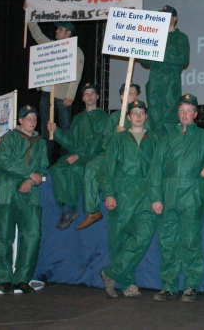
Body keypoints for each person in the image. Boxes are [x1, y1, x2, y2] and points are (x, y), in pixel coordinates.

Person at [149, 94, 204, 302]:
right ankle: (168, 286)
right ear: (178, 113)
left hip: (192, 194)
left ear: (195, 114)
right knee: (167, 241)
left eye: (189, 111)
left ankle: (192, 285)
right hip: (167, 194)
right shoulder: (165, 138)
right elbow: (155, 169)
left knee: (190, 240)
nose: (185, 114)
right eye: (181, 111)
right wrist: (156, 197)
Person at [100, 100, 158, 298]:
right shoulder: (118, 139)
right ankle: (127, 283)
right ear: (128, 117)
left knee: (143, 236)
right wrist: (109, 193)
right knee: (121, 240)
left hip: (147, 195)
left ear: (146, 116)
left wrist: (157, 196)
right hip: (122, 194)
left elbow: (159, 169)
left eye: (141, 112)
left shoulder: (154, 139)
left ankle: (111, 273)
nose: (138, 116)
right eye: (134, 113)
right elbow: (107, 168)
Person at [0, 105, 49, 294]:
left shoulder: (40, 142)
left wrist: (31, 181)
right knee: (4, 236)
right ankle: (4, 278)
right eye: (28, 118)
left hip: (30, 193)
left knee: (32, 235)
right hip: (7, 191)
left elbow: (43, 166)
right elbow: (4, 162)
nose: (32, 122)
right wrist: (28, 174)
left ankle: (23, 278)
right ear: (20, 121)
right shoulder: (9, 138)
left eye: (35, 119)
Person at [76, 83, 142, 230]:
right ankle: (93, 211)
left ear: (137, 96)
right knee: (91, 166)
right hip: (112, 155)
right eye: (127, 93)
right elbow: (105, 143)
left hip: (131, 158)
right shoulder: (114, 117)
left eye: (133, 93)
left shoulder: (142, 115)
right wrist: (115, 135)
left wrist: (127, 135)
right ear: (121, 97)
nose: (130, 96)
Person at [47, 82, 109, 230]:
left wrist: (80, 156)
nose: (89, 96)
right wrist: (56, 131)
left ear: (97, 96)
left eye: (92, 93)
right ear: (82, 98)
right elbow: (71, 142)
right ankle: (66, 206)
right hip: (78, 156)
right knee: (57, 168)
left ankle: (73, 209)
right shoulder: (78, 118)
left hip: (94, 157)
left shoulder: (103, 117)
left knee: (75, 169)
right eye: (86, 94)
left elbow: (99, 141)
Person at [27, 21, 85, 139]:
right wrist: (30, 19)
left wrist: (70, 95)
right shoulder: (51, 45)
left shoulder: (76, 51)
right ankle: (45, 151)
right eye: (57, 28)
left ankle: (66, 151)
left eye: (60, 29)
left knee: (65, 129)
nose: (56, 31)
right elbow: (38, 36)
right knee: (45, 129)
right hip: (46, 94)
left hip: (62, 96)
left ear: (68, 33)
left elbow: (77, 75)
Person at [142, 5, 189, 128]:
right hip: (154, 85)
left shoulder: (181, 38)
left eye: (168, 15)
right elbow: (145, 62)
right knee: (153, 119)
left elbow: (184, 60)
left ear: (175, 18)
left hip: (171, 85)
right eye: (162, 15)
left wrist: (160, 52)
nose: (165, 17)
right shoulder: (153, 36)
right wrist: (138, 48)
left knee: (170, 120)